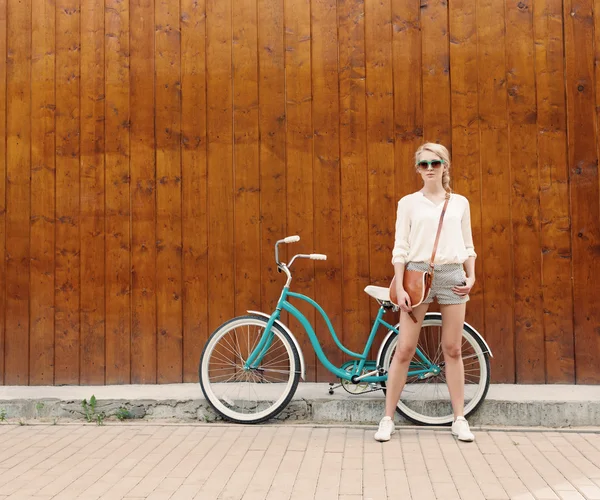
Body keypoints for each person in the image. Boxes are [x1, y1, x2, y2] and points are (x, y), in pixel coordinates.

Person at [374, 142, 477, 443]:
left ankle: (459, 418)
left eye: (435, 163)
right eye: (423, 164)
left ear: (445, 166)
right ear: (418, 169)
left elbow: (468, 245)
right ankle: (387, 419)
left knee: (453, 348)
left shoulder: (459, 203)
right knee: (405, 348)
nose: (429, 169)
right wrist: (399, 287)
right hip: (416, 275)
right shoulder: (408, 203)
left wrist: (471, 276)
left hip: (452, 275)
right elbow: (400, 248)